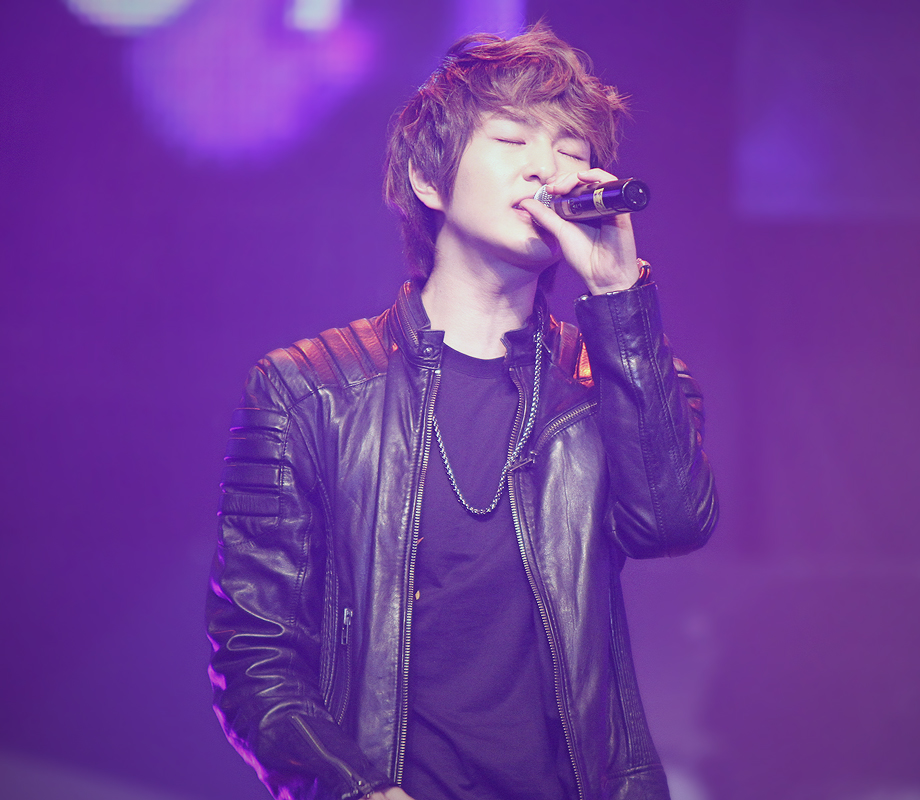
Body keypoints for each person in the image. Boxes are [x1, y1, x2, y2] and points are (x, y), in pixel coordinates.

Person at [206, 24, 717, 800]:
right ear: (427, 179)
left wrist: (620, 299)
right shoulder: (305, 391)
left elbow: (672, 525)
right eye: (512, 139)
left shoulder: (621, 376)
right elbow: (254, 654)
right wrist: (354, 788)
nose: (547, 167)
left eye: (571, 149)